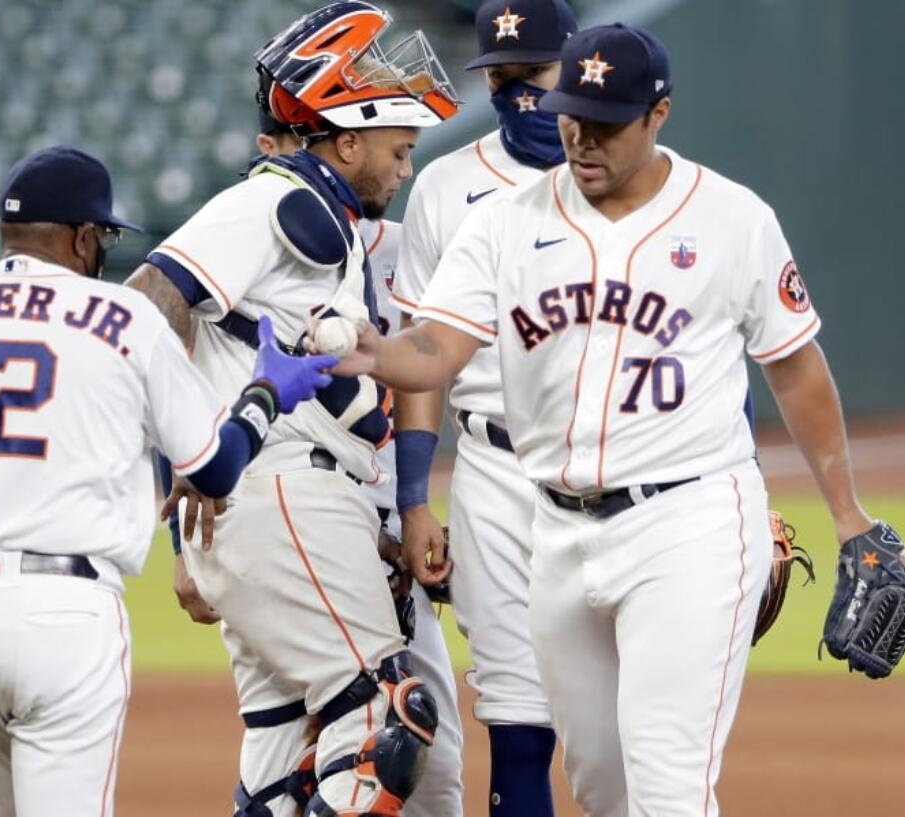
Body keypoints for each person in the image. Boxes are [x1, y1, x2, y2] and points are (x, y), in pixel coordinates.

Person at [311, 23, 905, 817]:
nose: (580, 137)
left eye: (605, 123)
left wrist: (848, 517)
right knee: (601, 782)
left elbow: (797, 368)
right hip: (555, 531)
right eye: (571, 116)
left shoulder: (733, 219)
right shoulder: (503, 222)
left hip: (688, 520)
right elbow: (434, 348)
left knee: (667, 781)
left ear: (658, 114)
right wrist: (371, 352)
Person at [0, 145, 336, 815]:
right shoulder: (124, 320)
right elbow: (213, 468)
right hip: (65, 617)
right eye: (105, 236)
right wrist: (266, 394)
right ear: (82, 235)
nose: (105, 251)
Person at [123, 3, 461, 815]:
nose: (404, 168)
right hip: (282, 494)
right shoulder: (279, 200)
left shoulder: (325, 217)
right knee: (387, 713)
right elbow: (148, 299)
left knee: (284, 757)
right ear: (345, 140)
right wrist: (187, 452)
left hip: (282, 502)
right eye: (394, 149)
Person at [387, 2, 576, 814]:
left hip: (611, 464)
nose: (514, 95)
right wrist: (414, 497)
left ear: (575, 68)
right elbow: (421, 357)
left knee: (621, 727)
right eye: (499, 80)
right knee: (516, 719)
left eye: (531, 76)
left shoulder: (637, 180)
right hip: (494, 472)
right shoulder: (446, 185)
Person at [255, 107, 467, 817]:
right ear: (273, 148)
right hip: (293, 512)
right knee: (298, 743)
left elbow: (421, 373)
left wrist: (411, 503)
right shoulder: (255, 242)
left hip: (374, 503)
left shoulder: (403, 246)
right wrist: (185, 551)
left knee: (429, 755)